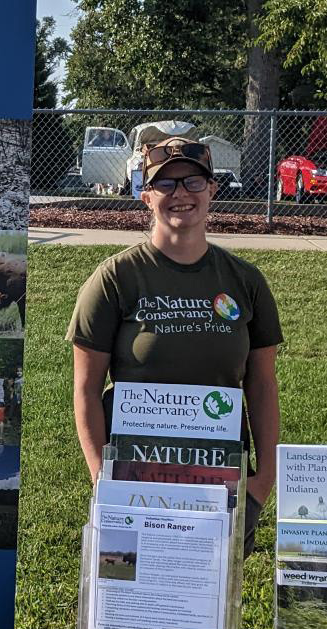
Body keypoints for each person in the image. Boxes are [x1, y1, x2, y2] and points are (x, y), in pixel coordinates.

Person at [68, 136, 282, 548]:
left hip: (219, 481)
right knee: (130, 595)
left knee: (213, 602)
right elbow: (86, 390)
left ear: (212, 190)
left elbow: (262, 385)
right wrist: (102, 480)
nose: (180, 194)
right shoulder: (115, 279)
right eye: (165, 184)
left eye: (193, 182)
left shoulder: (245, 281)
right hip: (135, 482)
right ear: (145, 196)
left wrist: (262, 480)